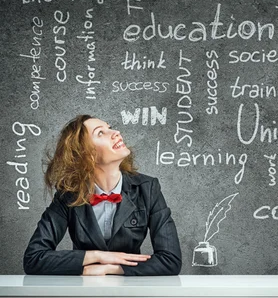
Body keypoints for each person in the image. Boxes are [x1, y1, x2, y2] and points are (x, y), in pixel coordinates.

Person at [23, 115, 182, 276]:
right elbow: (33, 258)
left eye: (110, 127)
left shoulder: (148, 188)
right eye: (100, 133)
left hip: (131, 289)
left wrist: (112, 268)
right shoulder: (68, 196)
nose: (116, 132)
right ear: (85, 154)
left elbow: (171, 260)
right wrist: (97, 256)